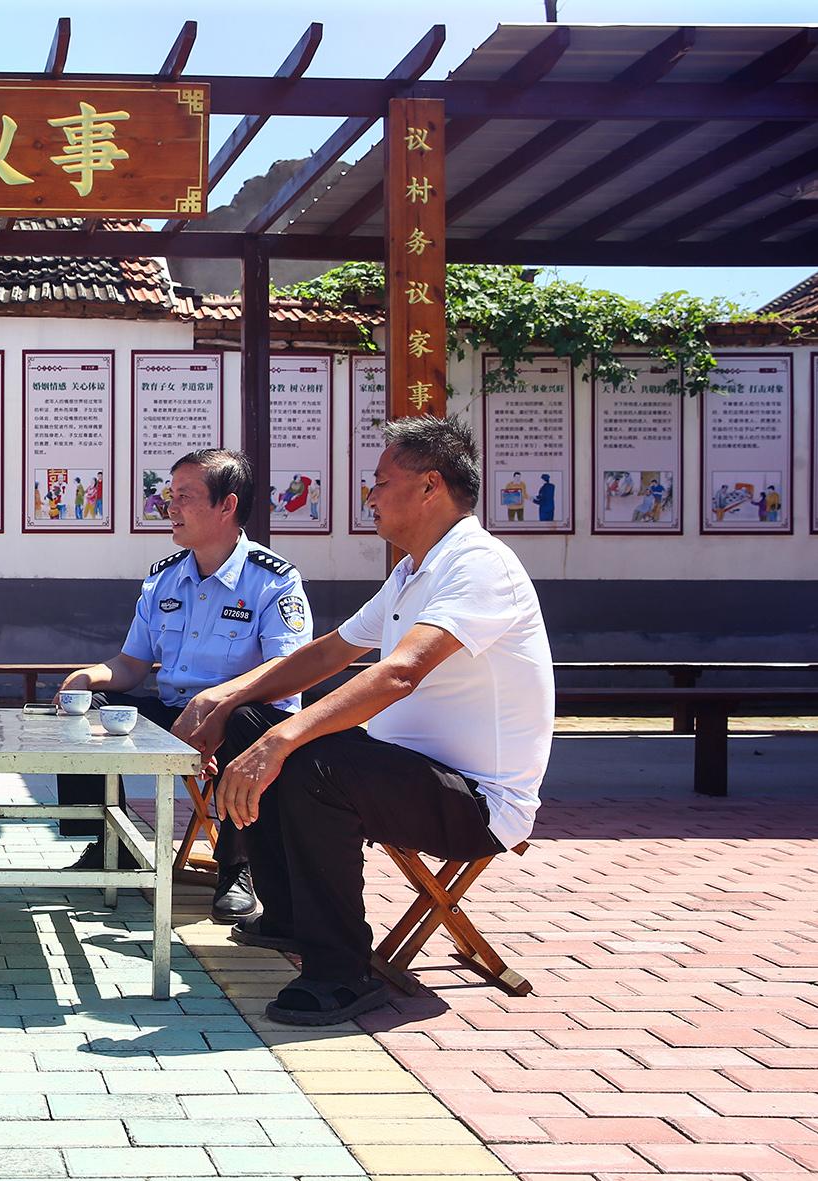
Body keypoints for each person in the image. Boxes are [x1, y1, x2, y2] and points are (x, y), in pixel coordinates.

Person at [179, 416, 552, 1026]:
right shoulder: (412, 571)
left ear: (430, 486)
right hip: (405, 773)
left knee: (313, 761)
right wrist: (225, 701)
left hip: (478, 801)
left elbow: (401, 672)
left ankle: (341, 973)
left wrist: (284, 739)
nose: (369, 495)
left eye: (380, 481)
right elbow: (329, 652)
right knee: (252, 721)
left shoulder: (480, 565)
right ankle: (289, 917)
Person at [57, 449, 312, 923]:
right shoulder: (164, 578)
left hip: (245, 715)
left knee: (244, 721)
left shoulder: (272, 580)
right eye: (170, 495)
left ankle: (237, 868)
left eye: (185, 497)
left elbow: (287, 666)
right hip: (176, 713)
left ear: (226, 505)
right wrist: (89, 677)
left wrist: (217, 701)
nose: (169, 507)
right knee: (88, 706)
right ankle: (110, 839)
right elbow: (131, 664)